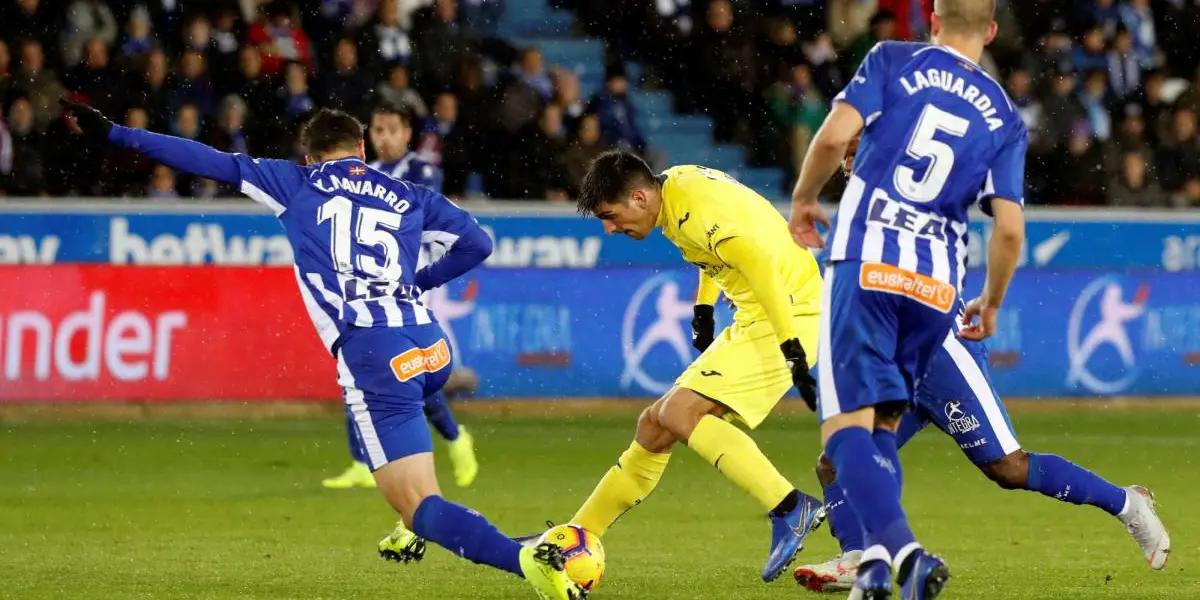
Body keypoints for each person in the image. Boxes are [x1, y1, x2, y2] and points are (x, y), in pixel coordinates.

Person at [60, 99, 587, 600]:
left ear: (308, 156)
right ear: (361, 148)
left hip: (374, 355)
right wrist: (420, 281)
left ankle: (526, 560)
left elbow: (203, 159)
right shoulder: (405, 192)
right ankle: (490, 540)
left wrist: (114, 132)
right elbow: (479, 243)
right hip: (430, 346)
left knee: (418, 506)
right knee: (419, 502)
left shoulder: (295, 182)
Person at [791, 145, 1171, 592]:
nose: (850, 162)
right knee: (836, 460)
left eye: (859, 150)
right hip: (899, 360)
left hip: (940, 352)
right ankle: (856, 556)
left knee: (1008, 469)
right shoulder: (859, 212)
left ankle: (1128, 504)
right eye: (847, 155)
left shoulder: (904, 198)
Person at [786, 1, 1025, 596]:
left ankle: (907, 556)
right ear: (991, 31)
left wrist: (803, 198)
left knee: (844, 434)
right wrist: (992, 303)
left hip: (867, 262)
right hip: (936, 287)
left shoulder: (894, 60)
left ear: (932, 19)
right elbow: (1011, 230)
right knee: (882, 432)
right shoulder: (1003, 115)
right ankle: (870, 568)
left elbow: (833, 136)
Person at [567, 150, 827, 583]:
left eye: (610, 216)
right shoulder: (675, 188)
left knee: (678, 413)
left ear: (638, 197)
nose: (609, 228)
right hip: (758, 316)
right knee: (654, 426)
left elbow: (759, 266)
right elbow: (717, 249)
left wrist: (792, 349)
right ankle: (576, 535)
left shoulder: (695, 211)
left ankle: (789, 506)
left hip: (787, 314)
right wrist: (704, 308)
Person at [320, 101, 479, 491]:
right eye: (377, 130)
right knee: (355, 365)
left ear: (408, 133)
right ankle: (360, 461)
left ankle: (456, 437)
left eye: (392, 129)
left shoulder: (421, 173)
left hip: (406, 289)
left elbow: (423, 220)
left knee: (412, 378)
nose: (385, 137)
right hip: (362, 286)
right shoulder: (363, 173)